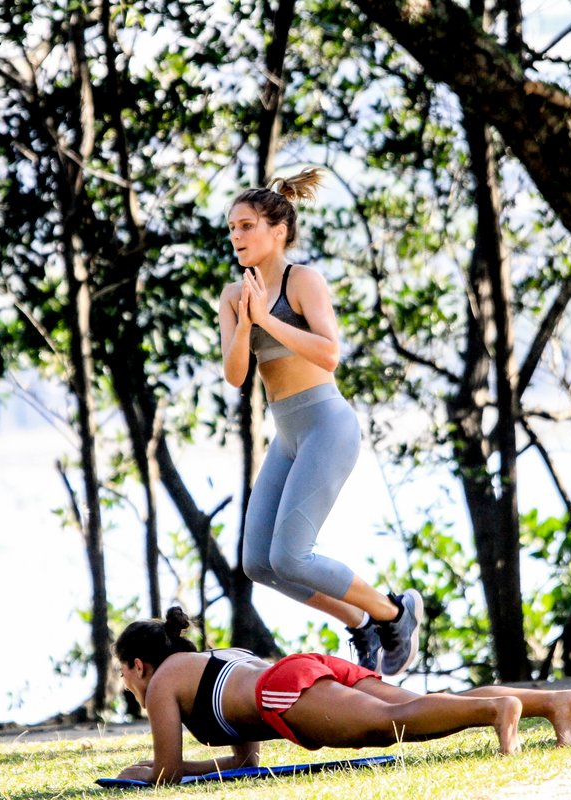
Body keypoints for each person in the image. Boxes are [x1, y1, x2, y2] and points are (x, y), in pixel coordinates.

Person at [218, 168, 421, 676]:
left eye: (246, 226)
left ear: (277, 230)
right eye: (232, 229)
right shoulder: (233, 295)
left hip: (327, 425)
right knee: (259, 564)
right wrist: (245, 322)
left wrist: (267, 320)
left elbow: (330, 354)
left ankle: (396, 612)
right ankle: (361, 621)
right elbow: (236, 374)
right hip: (287, 433)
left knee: (292, 556)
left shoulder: (302, 281)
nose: (237, 237)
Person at [113, 608, 571, 784]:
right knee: (411, 702)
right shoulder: (208, 661)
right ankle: (554, 703)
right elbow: (247, 764)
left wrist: (148, 770)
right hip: (298, 669)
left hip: (283, 690)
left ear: (139, 665)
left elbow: (168, 774)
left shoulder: (163, 682)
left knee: (389, 723)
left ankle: (497, 709)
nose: (128, 684)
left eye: (124, 673)